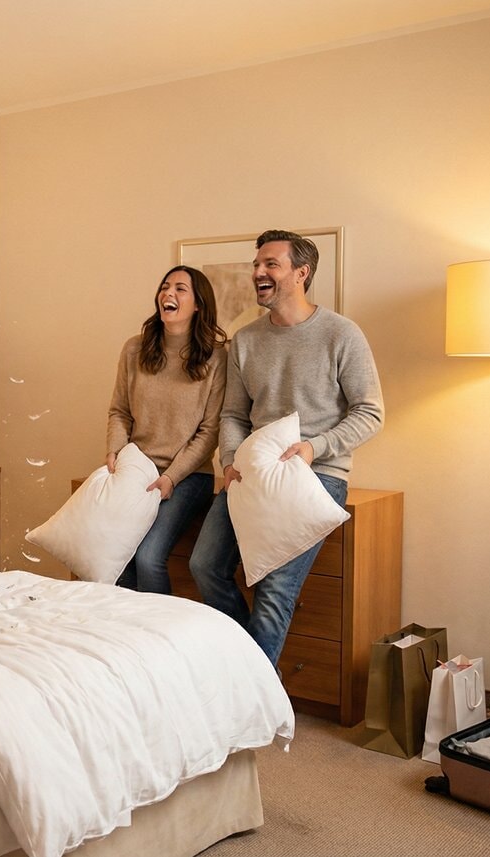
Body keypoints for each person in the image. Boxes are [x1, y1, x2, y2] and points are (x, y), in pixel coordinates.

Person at [188, 229, 384, 665]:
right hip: (252, 472)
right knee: (204, 566)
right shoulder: (246, 341)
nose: (258, 271)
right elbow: (234, 415)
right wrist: (229, 460)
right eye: (257, 264)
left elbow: (370, 412)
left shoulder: (342, 334)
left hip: (316, 475)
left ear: (301, 273)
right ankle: (250, 675)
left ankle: (249, 698)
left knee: (275, 588)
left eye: (270, 264)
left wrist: (316, 448)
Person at [105, 265, 227, 594]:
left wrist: (171, 477)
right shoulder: (135, 349)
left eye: (180, 289)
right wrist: (115, 453)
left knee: (148, 556)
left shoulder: (216, 358)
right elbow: (120, 411)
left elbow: (210, 431)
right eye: (164, 287)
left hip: (187, 477)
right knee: (117, 555)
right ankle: (129, 630)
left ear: (198, 304)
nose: (168, 294)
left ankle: (160, 636)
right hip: (135, 471)